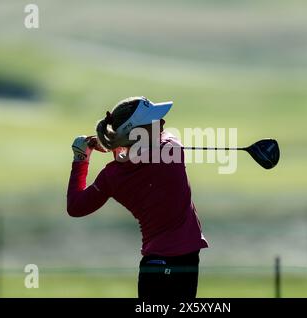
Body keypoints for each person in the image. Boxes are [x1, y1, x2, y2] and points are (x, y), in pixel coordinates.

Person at [67, 96, 208, 299]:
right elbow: (152, 146)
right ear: (136, 132)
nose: (163, 123)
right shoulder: (172, 149)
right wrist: (115, 146)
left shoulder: (112, 175)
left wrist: (82, 158)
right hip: (183, 263)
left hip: (153, 267)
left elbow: (76, 206)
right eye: (155, 121)